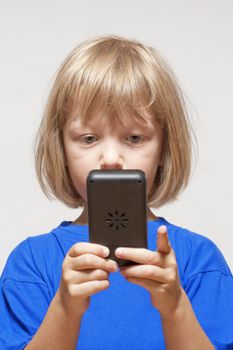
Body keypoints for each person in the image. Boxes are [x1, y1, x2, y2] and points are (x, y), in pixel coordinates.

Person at [0, 35, 232, 350]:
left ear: (164, 147)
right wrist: (65, 310)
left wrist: (175, 307)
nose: (110, 158)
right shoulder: (30, 263)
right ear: (61, 148)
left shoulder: (198, 259)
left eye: (134, 137)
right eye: (89, 138)